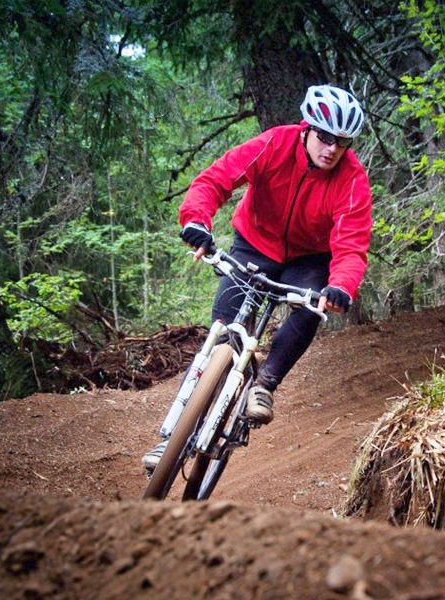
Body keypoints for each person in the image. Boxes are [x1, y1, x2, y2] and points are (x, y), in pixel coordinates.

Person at [142, 84, 372, 473]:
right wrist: (197, 221)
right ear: (307, 128)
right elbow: (215, 180)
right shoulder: (275, 145)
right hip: (254, 243)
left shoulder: (351, 180)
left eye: (342, 143)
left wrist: (341, 286)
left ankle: (265, 384)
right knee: (223, 334)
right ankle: (171, 437)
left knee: (310, 306)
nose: (332, 149)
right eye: (325, 137)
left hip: (309, 259)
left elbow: (350, 246)